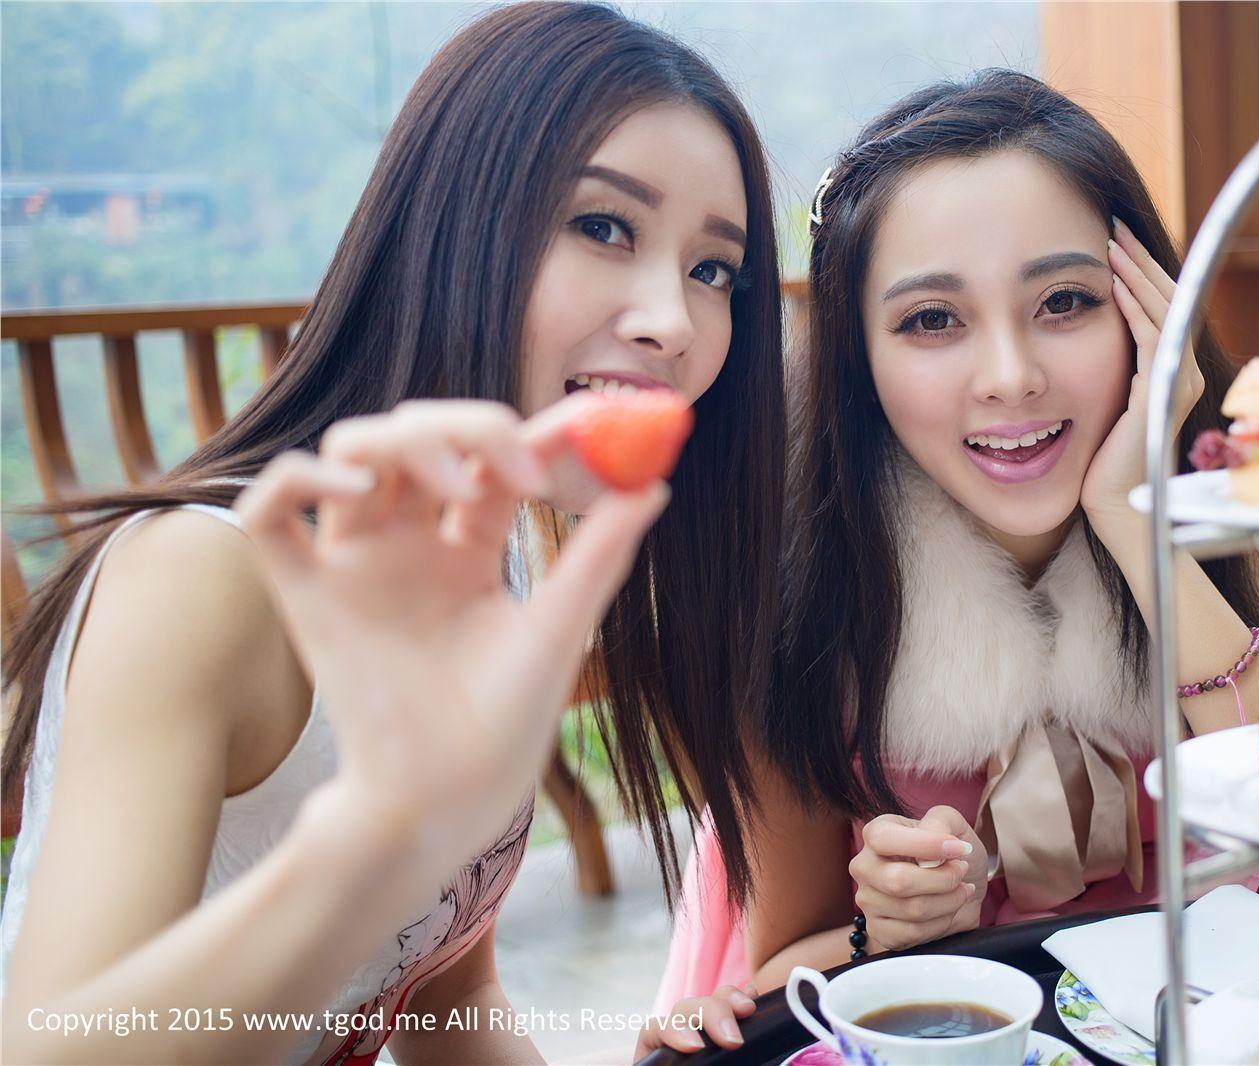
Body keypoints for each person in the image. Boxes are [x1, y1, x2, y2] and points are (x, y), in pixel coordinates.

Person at [1, 4, 782, 1060]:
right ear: (452, 223)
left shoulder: (478, 558)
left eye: (713, 269)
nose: (675, 321)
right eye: (603, 226)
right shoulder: (200, 578)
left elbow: (444, 1001)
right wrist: (376, 834)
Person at [654, 69, 1259, 1009]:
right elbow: (777, 968)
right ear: (859, 359)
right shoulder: (800, 597)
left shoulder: (1236, 518)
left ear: (1149, 311)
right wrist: (886, 931)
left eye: (1064, 302)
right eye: (932, 320)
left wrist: (1140, 528)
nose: (1011, 377)